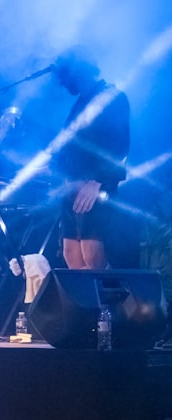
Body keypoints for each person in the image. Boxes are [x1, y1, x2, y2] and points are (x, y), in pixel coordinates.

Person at [52, 46, 131, 270]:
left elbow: (119, 145)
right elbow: (71, 145)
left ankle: (110, 304)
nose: (61, 83)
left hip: (96, 184)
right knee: (71, 253)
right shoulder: (79, 104)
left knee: (91, 252)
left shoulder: (112, 97)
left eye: (63, 76)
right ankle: (85, 305)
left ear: (76, 71)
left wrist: (98, 182)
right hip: (74, 185)